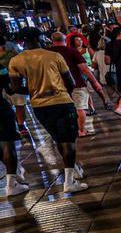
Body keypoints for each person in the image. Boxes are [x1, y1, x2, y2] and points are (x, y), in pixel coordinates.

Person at [8, 27, 87, 192]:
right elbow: (70, 82)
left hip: (39, 106)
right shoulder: (54, 56)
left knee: (59, 139)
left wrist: (35, 90)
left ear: (22, 41)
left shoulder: (16, 61)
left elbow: (16, 88)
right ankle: (69, 181)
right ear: (40, 38)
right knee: (69, 141)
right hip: (61, 102)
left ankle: (72, 172)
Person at [48, 32, 98, 138]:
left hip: (56, 85)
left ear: (52, 41)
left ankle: (68, 129)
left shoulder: (48, 53)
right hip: (76, 83)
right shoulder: (72, 51)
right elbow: (84, 69)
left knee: (63, 108)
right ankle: (81, 130)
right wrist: (95, 81)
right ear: (65, 40)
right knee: (80, 108)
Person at [0, 37, 28, 196]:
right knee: (7, 143)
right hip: (0, 109)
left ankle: (14, 173)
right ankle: (11, 185)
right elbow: (10, 88)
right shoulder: (2, 67)